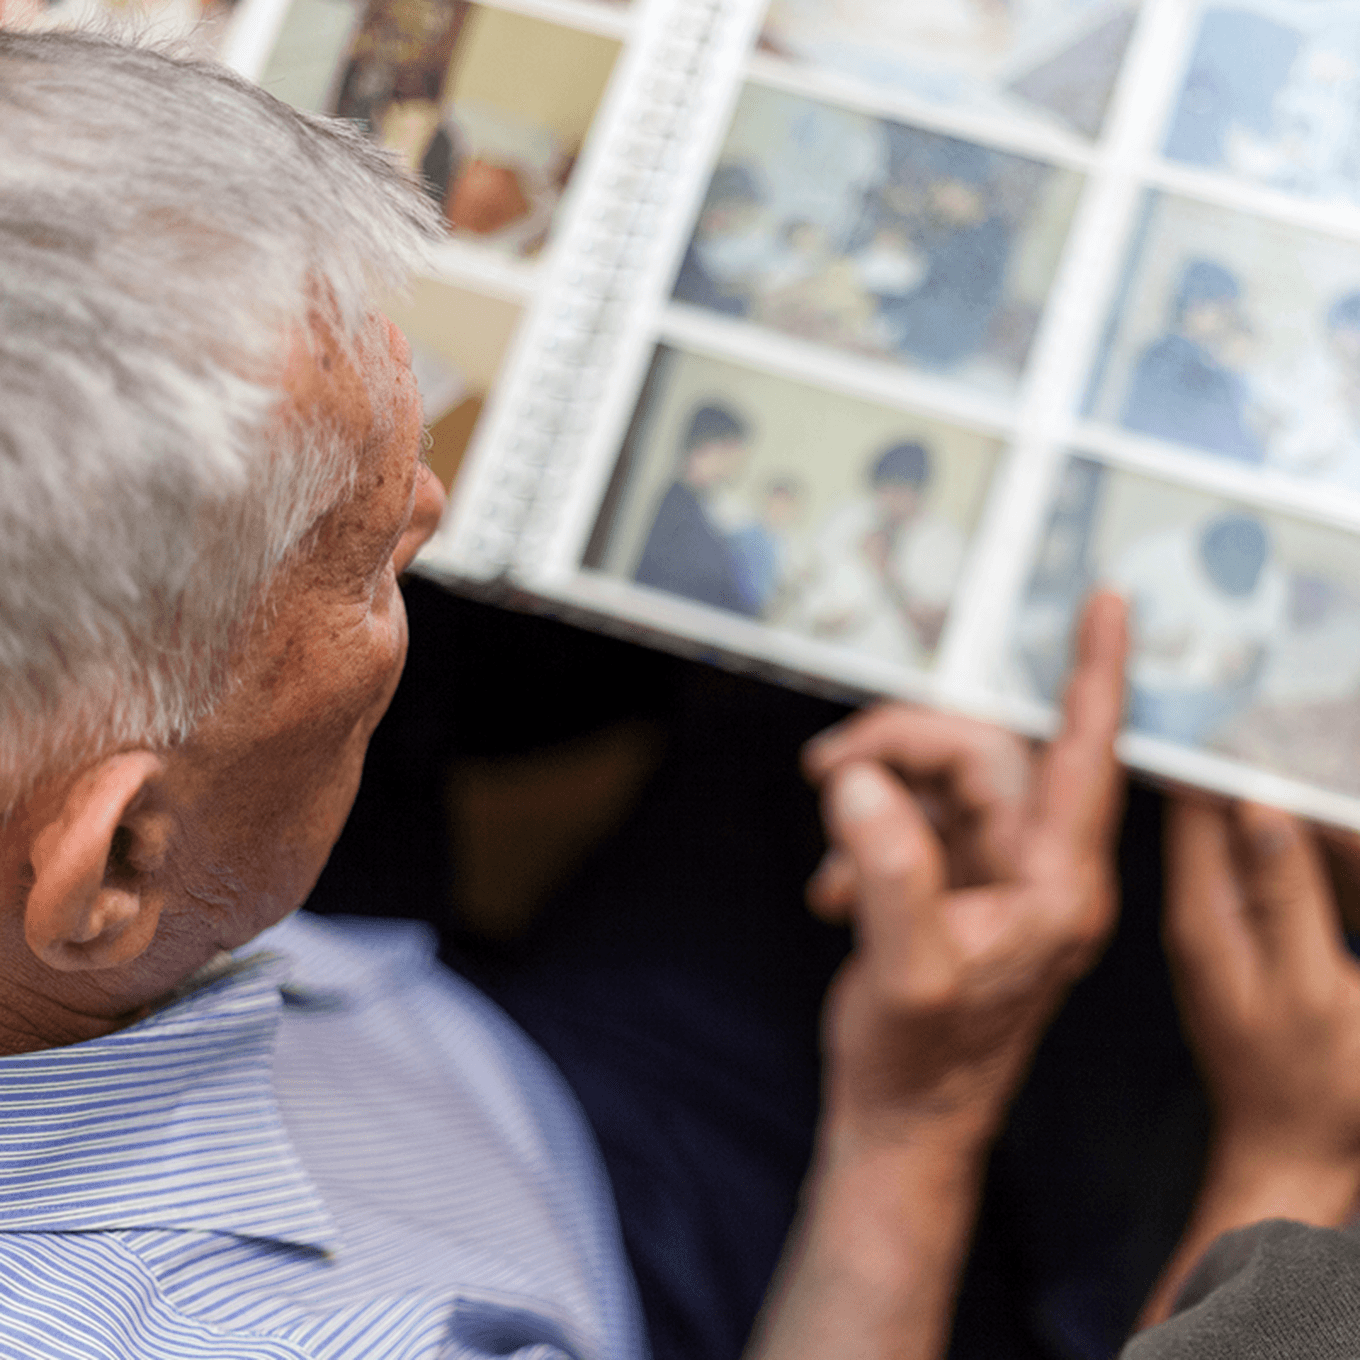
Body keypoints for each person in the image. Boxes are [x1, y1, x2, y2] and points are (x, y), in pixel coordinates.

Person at [7, 26, 1360, 1360]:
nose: (428, 508)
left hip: (452, 1055)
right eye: (365, 561)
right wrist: (1282, 1164)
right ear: (119, 858)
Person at [1111, 513, 1286, 747]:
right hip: (1142, 679)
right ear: (1205, 555)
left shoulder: (1271, 582)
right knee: (1169, 725)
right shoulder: (1153, 554)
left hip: (1215, 695)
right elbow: (1098, 623)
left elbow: (1261, 656)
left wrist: (1242, 668)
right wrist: (1147, 645)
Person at [792, 441, 966, 665]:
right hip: (817, 656)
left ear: (919, 492)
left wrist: (886, 571)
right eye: (882, 489)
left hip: (884, 669)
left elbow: (934, 636)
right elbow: (806, 580)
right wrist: (818, 619)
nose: (887, 500)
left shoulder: (944, 542)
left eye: (899, 491)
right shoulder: (847, 516)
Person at [1121, 259, 1265, 463]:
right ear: (1195, 307)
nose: (1228, 323)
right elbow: (1230, 448)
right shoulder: (1180, 365)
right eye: (1224, 312)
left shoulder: (1160, 355)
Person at [634, 403, 760, 617]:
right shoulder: (677, 508)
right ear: (707, 447)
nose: (737, 462)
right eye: (732, 450)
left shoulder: (697, 505)